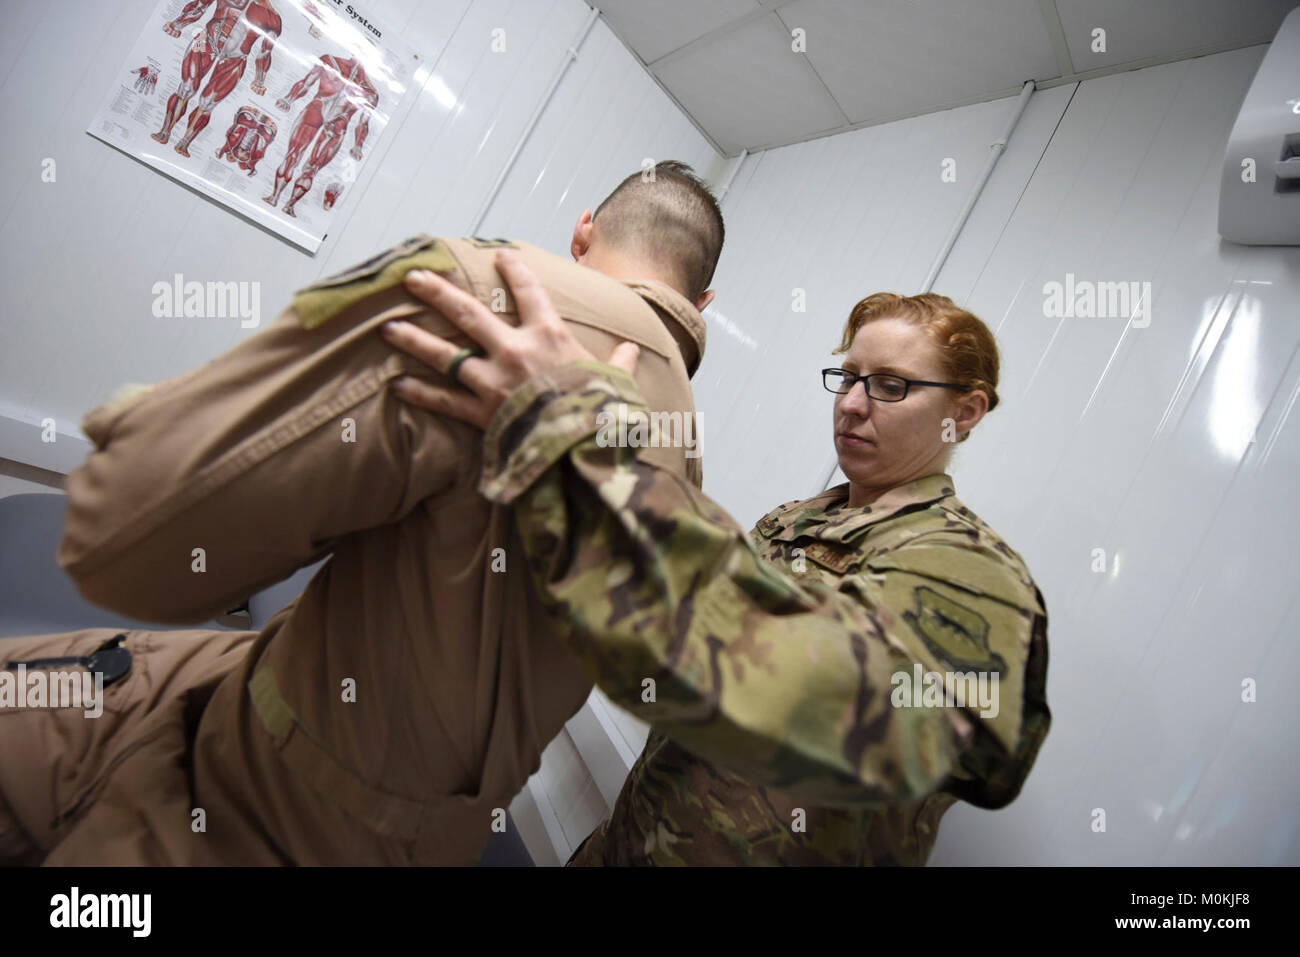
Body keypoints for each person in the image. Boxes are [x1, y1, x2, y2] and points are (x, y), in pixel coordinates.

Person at [0, 161, 721, 865]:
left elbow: (131, 541)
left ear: (584, 228)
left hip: (253, 801)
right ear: (705, 301)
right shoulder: (688, 466)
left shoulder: (490, 299)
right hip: (397, 812)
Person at [380, 253, 1052, 866]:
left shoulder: (973, 571)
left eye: (890, 386)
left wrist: (583, 454)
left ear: (964, 412)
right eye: (846, 378)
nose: (849, 405)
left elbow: (858, 707)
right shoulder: (794, 521)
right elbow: (683, 644)